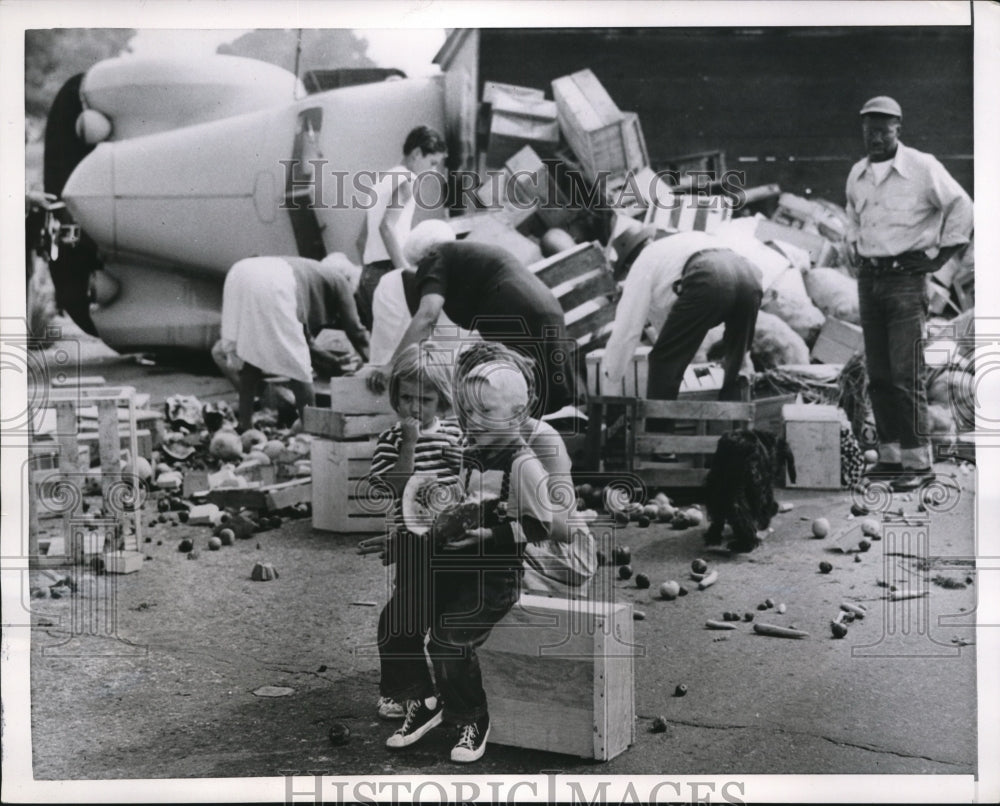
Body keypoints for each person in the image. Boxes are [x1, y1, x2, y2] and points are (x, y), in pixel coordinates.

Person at [380, 360, 559, 763]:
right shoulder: (471, 454)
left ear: (517, 414)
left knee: (447, 641)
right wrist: (413, 536)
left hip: (494, 577)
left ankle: (472, 718)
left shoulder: (523, 465)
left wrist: (493, 536)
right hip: (454, 563)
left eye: (485, 413)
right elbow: (458, 509)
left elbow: (543, 527)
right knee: (396, 621)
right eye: (469, 412)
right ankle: (422, 700)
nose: (473, 421)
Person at [846, 96, 973, 491]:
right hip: (870, 281)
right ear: (863, 131)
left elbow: (963, 208)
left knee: (906, 374)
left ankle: (919, 464)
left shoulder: (923, 167)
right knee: (880, 375)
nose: (877, 137)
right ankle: (890, 457)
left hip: (905, 281)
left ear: (898, 128)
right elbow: (852, 217)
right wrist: (854, 251)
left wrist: (939, 261)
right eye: (870, 130)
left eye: (884, 130)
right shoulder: (857, 174)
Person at [376, 220, 587, 421]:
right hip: (545, 309)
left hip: (516, 315)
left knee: (514, 396)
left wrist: (392, 366)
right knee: (544, 397)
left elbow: (427, 315)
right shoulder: (466, 256)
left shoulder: (434, 257)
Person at [356, 342, 463, 722]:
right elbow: (398, 488)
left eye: (426, 400)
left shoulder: (454, 436)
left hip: (453, 544)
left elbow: (469, 487)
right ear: (394, 397)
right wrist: (410, 444)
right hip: (413, 546)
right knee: (403, 621)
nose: (415, 409)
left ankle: (446, 690)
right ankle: (402, 692)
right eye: (406, 398)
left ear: (442, 401)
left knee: (446, 621)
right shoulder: (391, 440)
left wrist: (464, 465)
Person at [453, 341, 597, 595]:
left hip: (557, 549)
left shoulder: (540, 439)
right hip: (506, 532)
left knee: (476, 562)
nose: (472, 414)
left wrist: (499, 516)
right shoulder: (474, 436)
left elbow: (564, 527)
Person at [602, 226, 763, 405]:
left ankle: (659, 427)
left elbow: (628, 327)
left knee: (663, 361)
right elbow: (671, 323)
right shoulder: (680, 244)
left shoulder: (642, 263)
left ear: (627, 265)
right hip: (749, 275)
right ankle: (736, 423)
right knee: (736, 358)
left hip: (710, 276)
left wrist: (612, 373)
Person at [216, 255, 370, 430]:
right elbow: (357, 332)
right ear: (349, 279)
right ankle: (313, 432)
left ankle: (245, 426)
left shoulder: (310, 273)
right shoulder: (341, 281)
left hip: (240, 273)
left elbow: (304, 337)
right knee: (299, 369)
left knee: (250, 359)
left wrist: (331, 360)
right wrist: (376, 365)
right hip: (276, 283)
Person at [357, 126, 448, 331]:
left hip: (368, 276)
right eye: (432, 163)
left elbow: (361, 239)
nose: (433, 171)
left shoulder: (381, 182)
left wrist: (367, 273)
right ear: (416, 154)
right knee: (403, 349)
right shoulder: (408, 181)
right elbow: (386, 227)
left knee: (381, 349)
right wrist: (405, 270)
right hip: (388, 273)